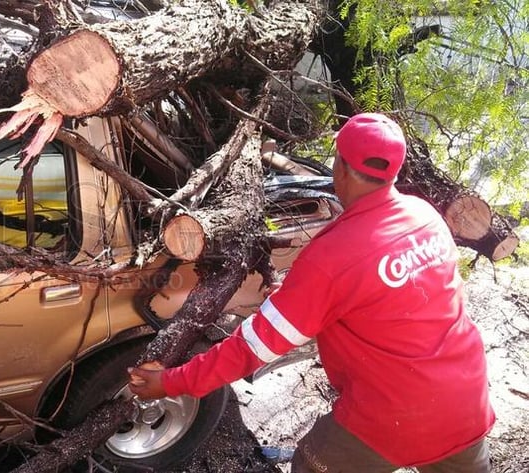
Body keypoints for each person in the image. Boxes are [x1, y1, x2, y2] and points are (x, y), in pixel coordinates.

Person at [128, 113, 495, 473]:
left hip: (394, 418)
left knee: (312, 463)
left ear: (341, 167)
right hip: (467, 400)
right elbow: (387, 297)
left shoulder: (333, 255)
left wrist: (171, 382)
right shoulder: (425, 216)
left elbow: (253, 348)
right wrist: (301, 297)